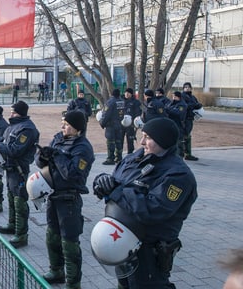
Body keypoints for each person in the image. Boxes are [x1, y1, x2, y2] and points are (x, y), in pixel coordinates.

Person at [92, 117, 197, 288]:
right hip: (122, 244)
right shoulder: (137, 157)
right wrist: (101, 181)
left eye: (148, 137)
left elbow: (153, 209)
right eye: (143, 135)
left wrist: (117, 192)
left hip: (148, 252)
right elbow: (116, 180)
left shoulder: (178, 175)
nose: (141, 142)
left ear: (163, 140)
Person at [35, 111, 94, 288]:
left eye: (67, 124)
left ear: (77, 128)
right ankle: (56, 270)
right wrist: (43, 156)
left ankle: (73, 282)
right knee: (52, 236)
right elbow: (41, 162)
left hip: (69, 199)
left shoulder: (83, 148)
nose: (63, 127)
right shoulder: (58, 139)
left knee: (69, 243)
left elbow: (72, 174)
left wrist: (56, 155)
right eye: (62, 123)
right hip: (53, 195)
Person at [0, 101, 40, 248]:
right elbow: (6, 140)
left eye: (14, 112)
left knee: (20, 202)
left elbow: (15, 150)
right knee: (12, 198)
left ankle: (21, 234)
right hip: (10, 168)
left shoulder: (28, 129)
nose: (11, 114)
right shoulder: (13, 126)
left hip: (19, 169)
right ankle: (12, 224)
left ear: (20, 113)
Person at [100, 89, 125, 165]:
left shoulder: (111, 102)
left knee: (110, 142)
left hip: (111, 125)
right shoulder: (122, 101)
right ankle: (119, 158)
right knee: (118, 141)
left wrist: (102, 123)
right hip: (119, 123)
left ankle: (110, 158)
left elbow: (107, 114)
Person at [181, 82, 202, 161]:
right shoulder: (182, 96)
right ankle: (183, 153)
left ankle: (187, 153)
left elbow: (196, 103)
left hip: (190, 118)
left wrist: (199, 105)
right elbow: (184, 105)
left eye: (188, 87)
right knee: (184, 136)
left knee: (188, 135)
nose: (187, 88)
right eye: (185, 87)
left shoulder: (192, 97)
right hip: (184, 119)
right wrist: (193, 105)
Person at [166, 91, 187, 156]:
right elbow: (166, 108)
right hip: (171, 125)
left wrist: (168, 110)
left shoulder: (182, 105)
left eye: (175, 97)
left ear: (179, 97)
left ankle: (179, 156)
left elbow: (178, 113)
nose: (173, 98)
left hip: (178, 125)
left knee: (178, 143)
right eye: (173, 96)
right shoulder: (171, 103)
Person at [122, 88, 142, 154]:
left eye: (128, 93)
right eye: (126, 93)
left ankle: (130, 152)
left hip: (130, 124)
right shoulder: (121, 101)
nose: (126, 94)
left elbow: (138, 113)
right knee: (119, 139)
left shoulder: (135, 102)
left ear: (131, 94)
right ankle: (118, 154)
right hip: (121, 123)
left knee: (130, 139)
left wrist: (135, 123)